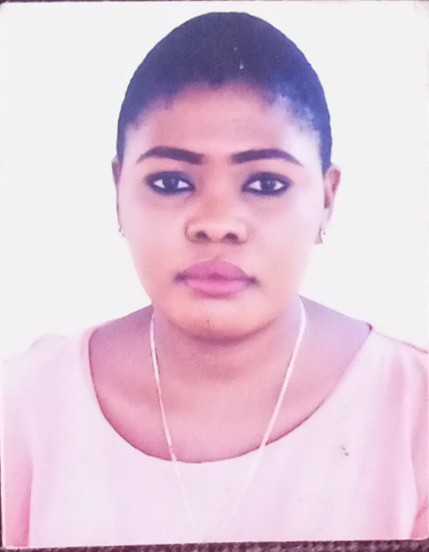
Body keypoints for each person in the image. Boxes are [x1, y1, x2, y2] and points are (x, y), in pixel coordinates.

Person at [0, 11, 427, 547]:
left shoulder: (414, 411)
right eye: (171, 182)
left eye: (266, 183)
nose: (217, 223)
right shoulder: (24, 407)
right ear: (118, 191)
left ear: (326, 197)